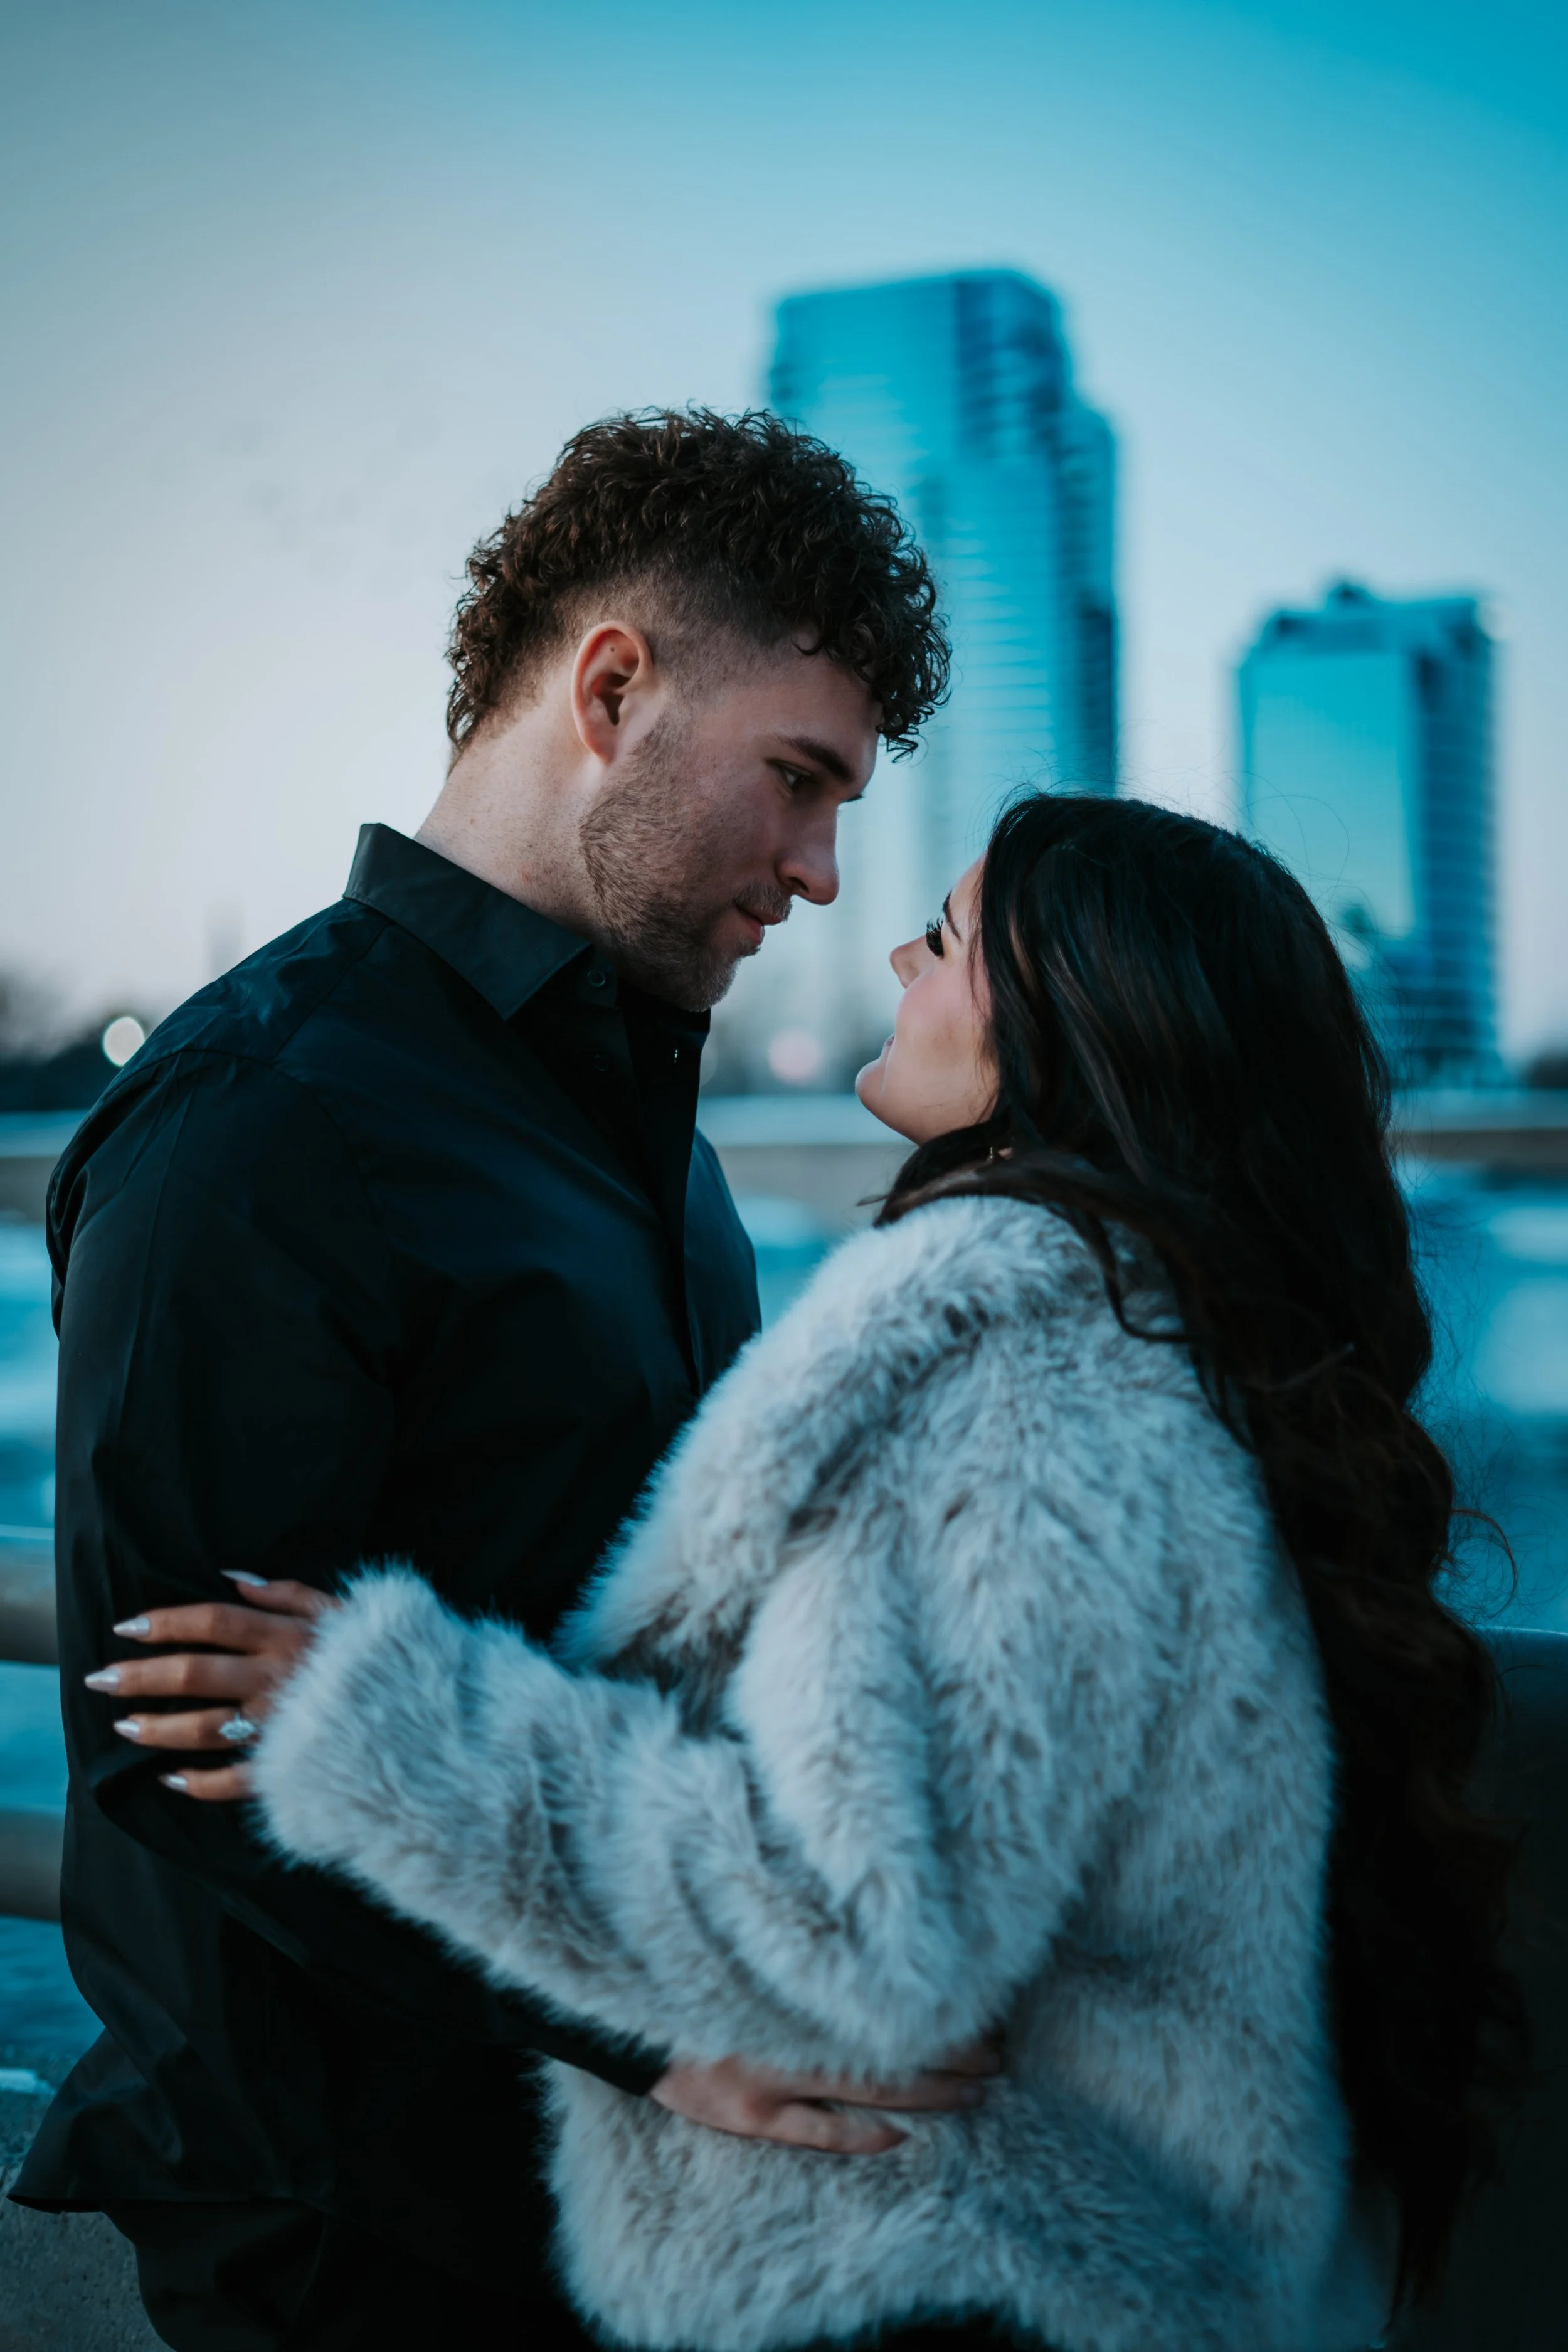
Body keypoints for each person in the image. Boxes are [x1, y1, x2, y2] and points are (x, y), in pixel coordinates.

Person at [88, 795, 1520, 2352]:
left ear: (1076, 1021)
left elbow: (853, 1928)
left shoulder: (1010, 1373)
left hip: (969, 2275)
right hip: (1104, 2260)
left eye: (954, 935)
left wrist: (388, 1724)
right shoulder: (1164, 1342)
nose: (891, 943)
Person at [13, 408, 982, 2351]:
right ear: (610, 688)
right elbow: (186, 1755)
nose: (816, 871)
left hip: (647, 2191)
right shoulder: (259, 1119)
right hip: (367, 2236)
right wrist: (639, 2021)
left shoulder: (653, 1138)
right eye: (797, 782)